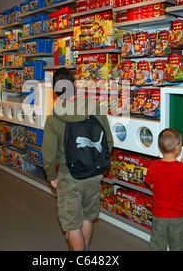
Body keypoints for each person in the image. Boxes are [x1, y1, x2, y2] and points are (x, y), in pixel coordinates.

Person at [42, 67, 113, 251]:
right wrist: (95, 163)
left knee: (73, 225)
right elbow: (108, 141)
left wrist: (52, 176)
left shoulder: (53, 118)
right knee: (88, 217)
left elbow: (48, 155)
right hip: (93, 174)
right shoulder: (94, 107)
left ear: (55, 90)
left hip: (68, 176)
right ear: (74, 85)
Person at [144, 128, 183, 251]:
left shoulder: (153, 166)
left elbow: (151, 185)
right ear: (178, 147)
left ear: (159, 146)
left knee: (157, 244)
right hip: (178, 216)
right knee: (178, 245)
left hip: (159, 215)